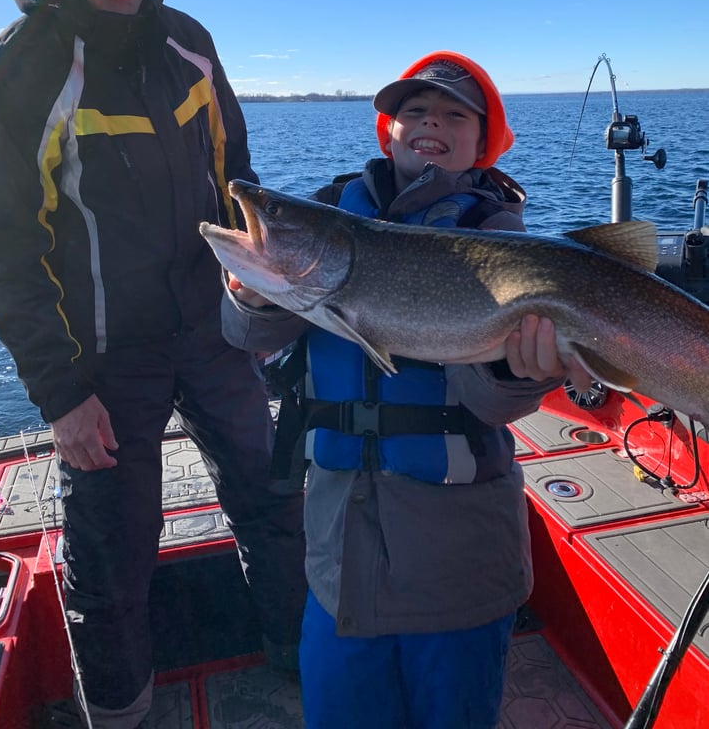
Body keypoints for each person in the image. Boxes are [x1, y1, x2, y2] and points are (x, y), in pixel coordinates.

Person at [0, 0, 305, 728]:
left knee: (274, 501)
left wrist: (257, 294)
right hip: (104, 360)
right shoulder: (10, 73)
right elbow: (4, 250)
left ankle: (299, 666)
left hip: (214, 328)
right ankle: (120, 714)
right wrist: (62, 395)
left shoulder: (190, 41)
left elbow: (239, 180)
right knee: (110, 555)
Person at [221, 50, 594, 729]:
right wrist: (255, 292)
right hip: (338, 558)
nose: (431, 123)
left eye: (456, 115)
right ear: (386, 130)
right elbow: (248, 338)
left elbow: (489, 406)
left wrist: (521, 369)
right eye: (414, 111)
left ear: (485, 142)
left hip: (459, 562)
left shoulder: (499, 236)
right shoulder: (333, 214)